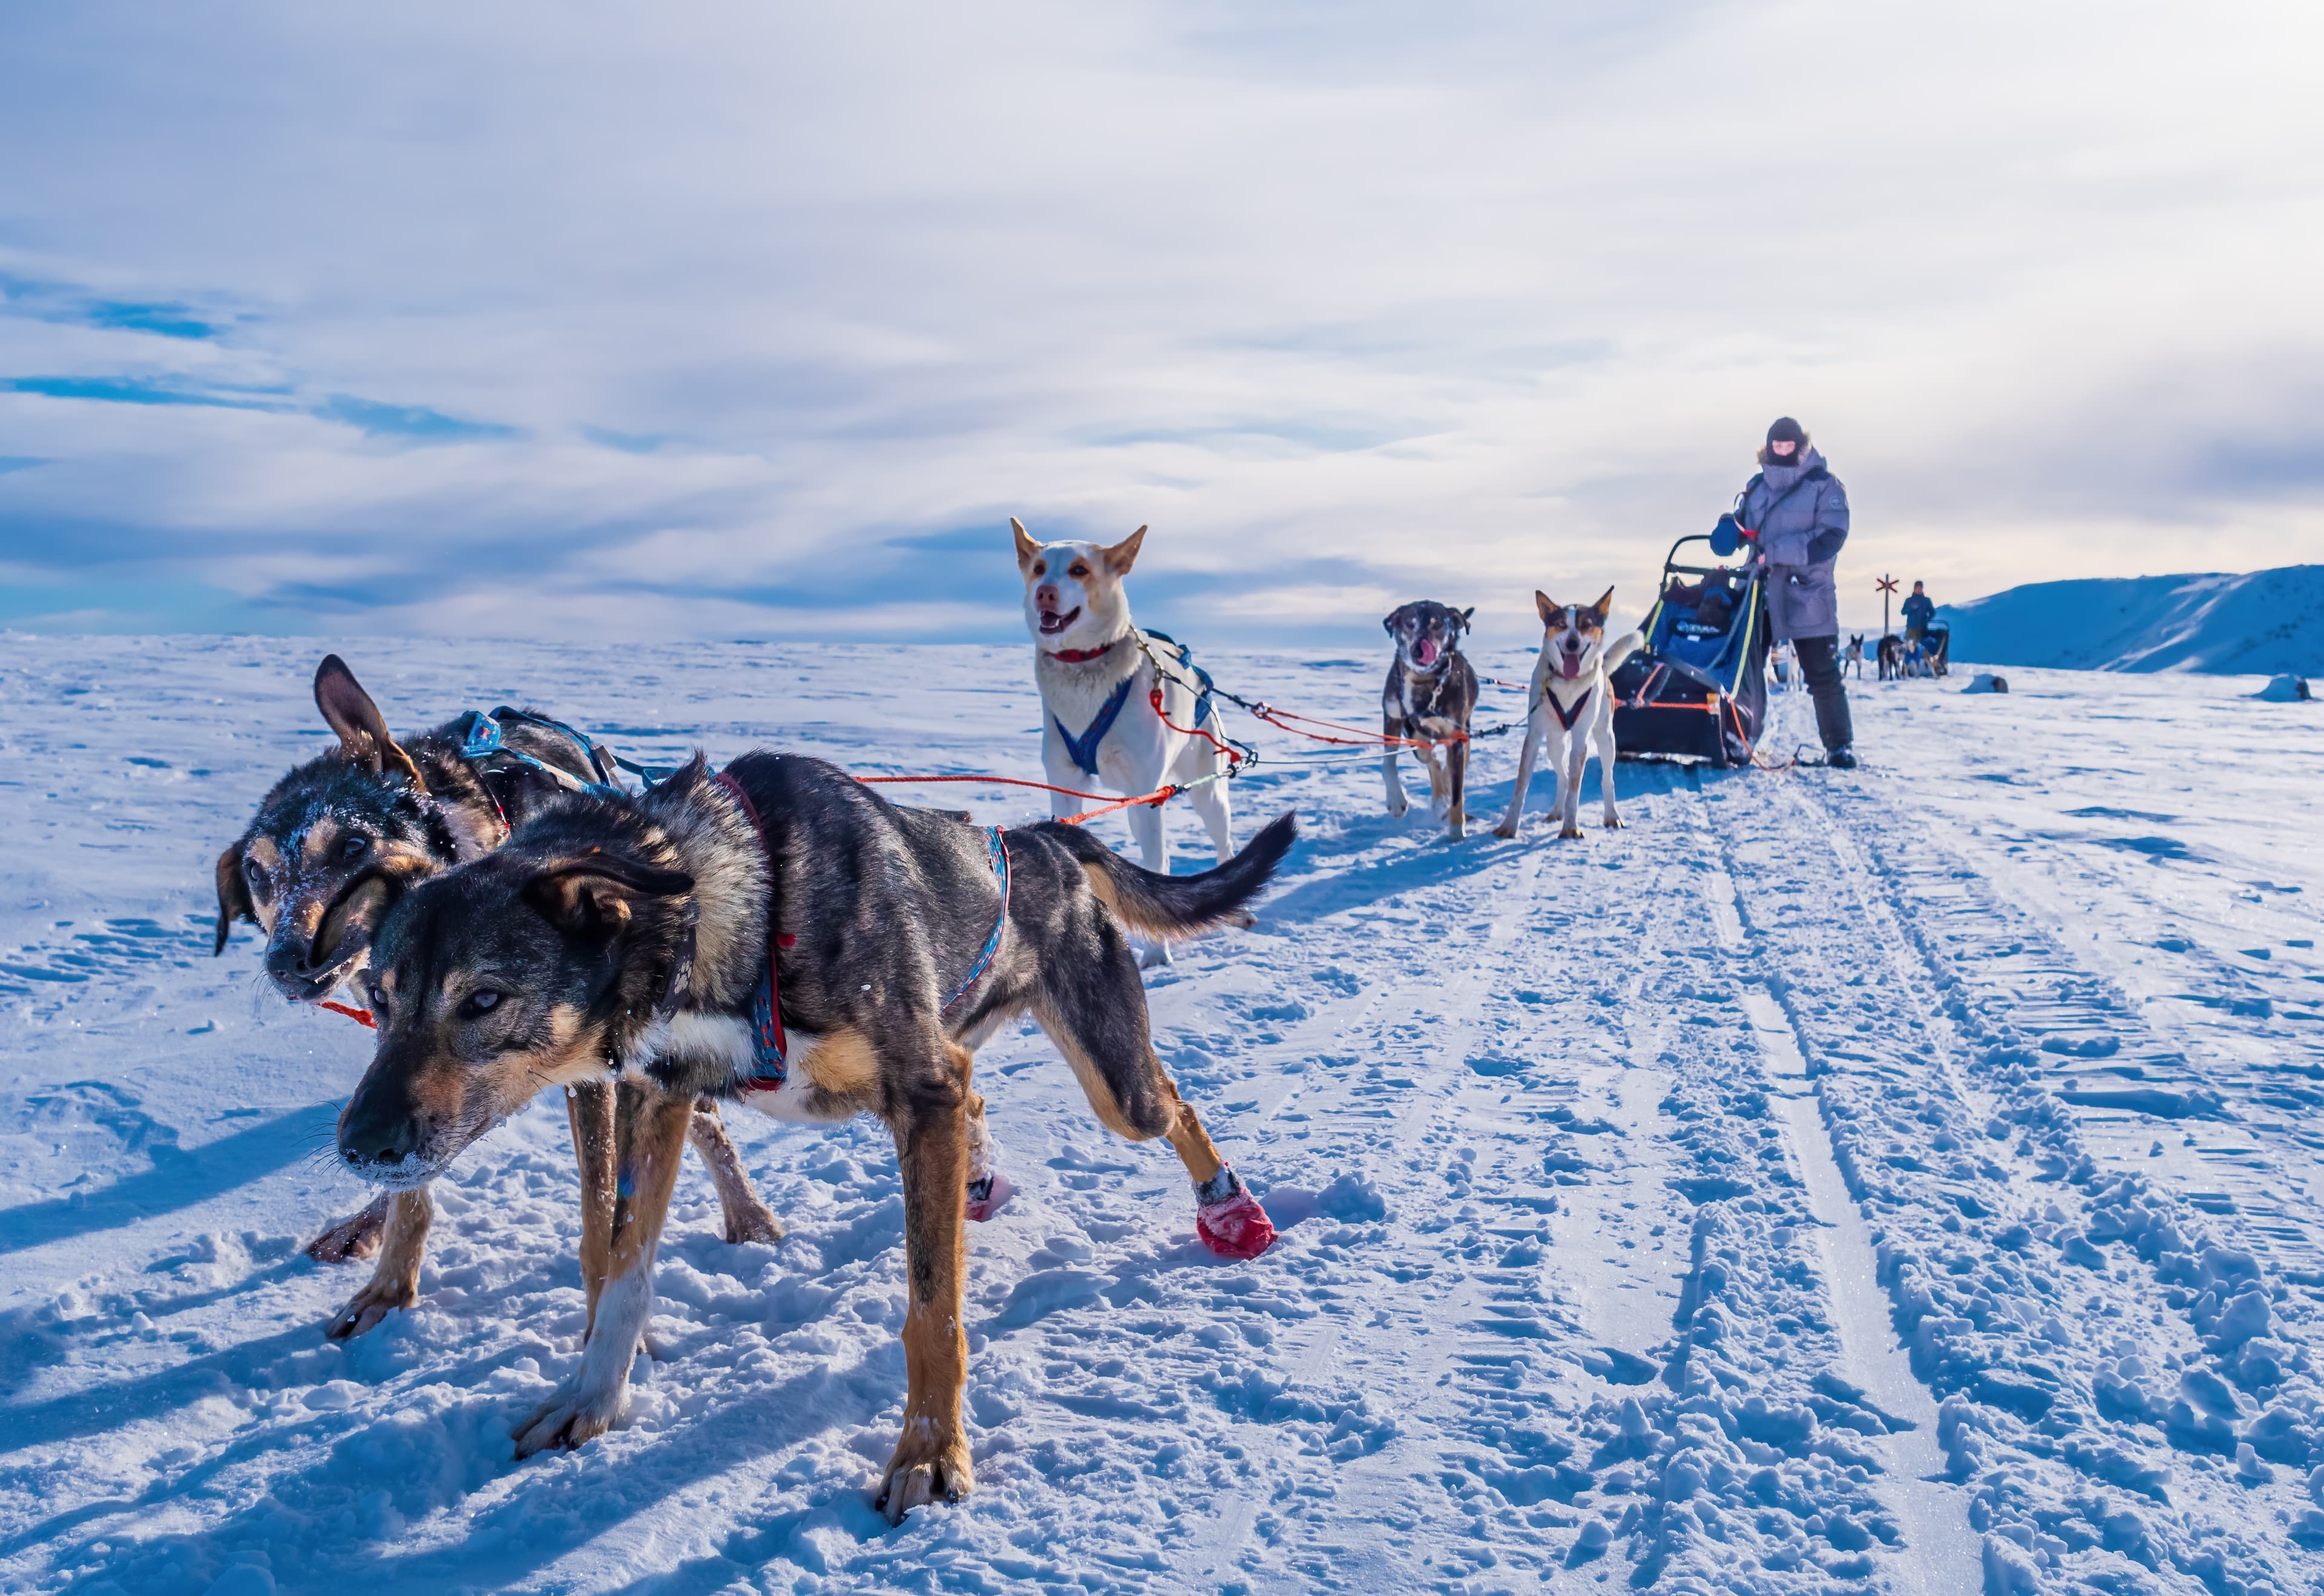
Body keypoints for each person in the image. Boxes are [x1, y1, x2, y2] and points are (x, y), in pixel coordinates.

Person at [1738, 416, 1855, 767]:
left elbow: (1831, 538)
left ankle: (1839, 746)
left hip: (1808, 593)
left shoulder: (1825, 486)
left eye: (1790, 445)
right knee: (1746, 670)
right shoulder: (1757, 486)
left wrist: (1777, 552)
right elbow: (1745, 530)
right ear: (1769, 446)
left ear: (1802, 446)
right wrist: (1729, 531)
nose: (1784, 451)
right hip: (1760, 591)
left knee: (1821, 672)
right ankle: (1740, 737)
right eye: (1778, 445)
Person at [1902, 581, 1935, 650]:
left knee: (1924, 649)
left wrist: (1927, 619)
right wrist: (1911, 608)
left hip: (1923, 628)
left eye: (1920, 588)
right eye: (1917, 588)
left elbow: (1932, 612)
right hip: (1911, 629)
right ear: (1914, 588)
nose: (1919, 589)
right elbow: (1903, 612)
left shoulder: (1926, 601)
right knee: (1910, 649)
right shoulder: (1909, 601)